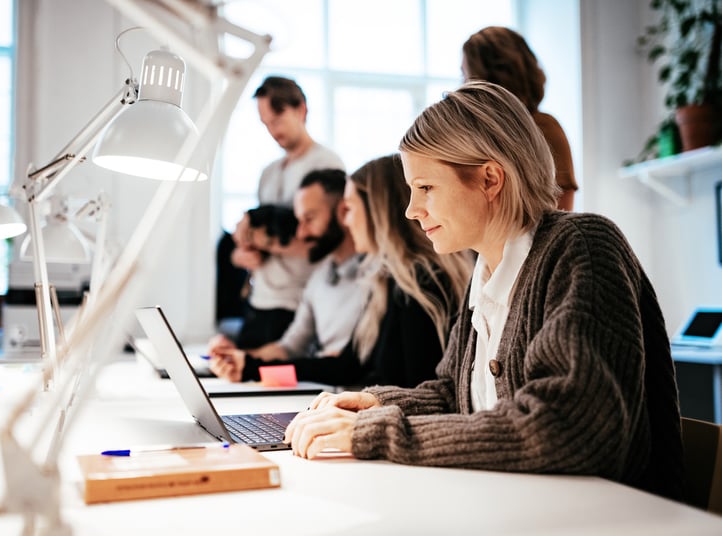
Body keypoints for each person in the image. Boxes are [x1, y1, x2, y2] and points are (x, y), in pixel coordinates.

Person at [284, 82, 683, 502]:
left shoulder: (581, 247)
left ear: (490, 178)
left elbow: (565, 427)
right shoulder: (487, 268)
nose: (411, 211)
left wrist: (375, 431)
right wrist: (371, 403)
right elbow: (452, 394)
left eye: (426, 188)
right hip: (517, 507)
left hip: (606, 520)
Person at [210, 154, 473, 388]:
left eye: (349, 210)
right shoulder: (384, 280)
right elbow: (345, 367)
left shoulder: (420, 282)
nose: (346, 221)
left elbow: (417, 392)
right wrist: (251, 369)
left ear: (377, 212)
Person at [223, 76, 344, 349]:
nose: (272, 130)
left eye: (276, 119)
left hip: (296, 303)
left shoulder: (325, 164)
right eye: (265, 124)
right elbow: (251, 237)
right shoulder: (268, 172)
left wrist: (262, 239)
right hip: (259, 299)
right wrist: (242, 252)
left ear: (301, 109)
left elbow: (326, 241)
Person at [209, 169, 367, 361]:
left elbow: (349, 366)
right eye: (299, 221)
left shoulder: (375, 277)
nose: (300, 234)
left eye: (309, 219)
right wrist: (233, 357)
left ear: (343, 212)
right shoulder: (320, 278)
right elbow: (290, 347)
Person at [461, 26, 579, 211]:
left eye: (466, 74)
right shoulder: (475, 135)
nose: (463, 84)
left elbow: (561, 207)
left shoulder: (543, 128)